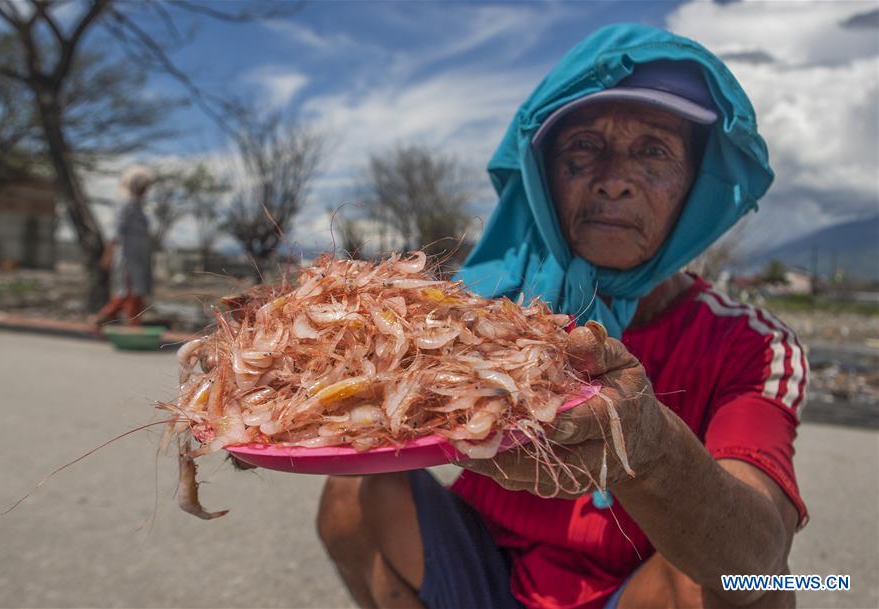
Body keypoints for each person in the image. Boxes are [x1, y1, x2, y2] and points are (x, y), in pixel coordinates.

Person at [317, 24, 807, 609]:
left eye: (654, 151)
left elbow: (764, 550)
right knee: (351, 494)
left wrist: (650, 450)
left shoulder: (748, 346)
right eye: (583, 147)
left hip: (636, 590)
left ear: (695, 187)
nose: (615, 180)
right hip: (488, 565)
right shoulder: (482, 314)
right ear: (544, 174)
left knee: (766, 588)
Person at [94, 165, 156, 327]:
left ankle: (106, 323)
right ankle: (129, 327)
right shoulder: (126, 204)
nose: (145, 190)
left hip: (138, 258)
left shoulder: (137, 206)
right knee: (130, 293)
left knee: (134, 294)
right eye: (143, 186)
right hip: (128, 259)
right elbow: (116, 232)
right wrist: (108, 255)